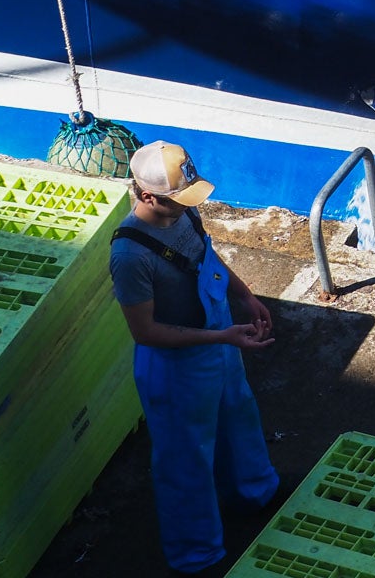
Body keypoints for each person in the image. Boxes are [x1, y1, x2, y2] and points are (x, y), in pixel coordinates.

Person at [108, 140, 280, 576]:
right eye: (176, 200)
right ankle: (196, 555)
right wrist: (223, 336)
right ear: (147, 196)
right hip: (173, 368)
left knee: (238, 417)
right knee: (185, 459)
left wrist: (243, 295)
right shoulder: (129, 255)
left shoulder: (184, 209)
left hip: (219, 343)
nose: (186, 206)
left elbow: (204, 255)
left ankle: (254, 494)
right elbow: (144, 332)